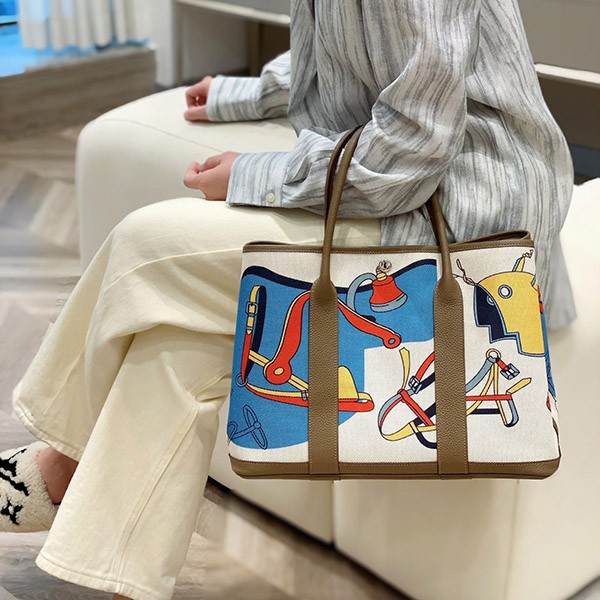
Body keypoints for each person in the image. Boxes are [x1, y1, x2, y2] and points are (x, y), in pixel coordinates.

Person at [0, 1, 575, 599]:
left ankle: (61, 465)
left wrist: (256, 174)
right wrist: (250, 92)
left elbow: (414, 146)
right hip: (405, 189)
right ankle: (117, 573)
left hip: (463, 217)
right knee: (174, 346)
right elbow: (350, 47)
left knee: (145, 246)